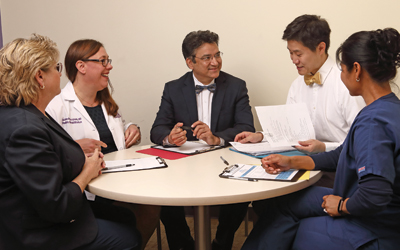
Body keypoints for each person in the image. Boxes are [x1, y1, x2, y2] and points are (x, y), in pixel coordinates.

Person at [241, 28, 400, 250]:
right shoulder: (389, 107)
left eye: (342, 69)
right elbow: (344, 153)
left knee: (300, 227)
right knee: (284, 204)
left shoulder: (372, 123)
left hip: (376, 223)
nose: (341, 76)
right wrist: (293, 161)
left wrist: (343, 205)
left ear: (356, 70)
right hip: (375, 207)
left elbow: (375, 195)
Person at [0, 34, 141, 249]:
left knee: (125, 217)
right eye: (56, 68)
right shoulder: (25, 128)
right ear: (40, 77)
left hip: (43, 212)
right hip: (37, 231)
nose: (60, 74)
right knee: (128, 237)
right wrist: (88, 169)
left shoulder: (28, 114)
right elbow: (56, 205)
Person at [46, 39, 159, 249]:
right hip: (89, 188)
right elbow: (49, 151)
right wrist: (74, 147)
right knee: (131, 217)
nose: (110, 66)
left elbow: (115, 130)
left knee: (152, 207)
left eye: (108, 60)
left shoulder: (105, 100)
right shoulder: (57, 105)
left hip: (119, 178)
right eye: (103, 61)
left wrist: (132, 128)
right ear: (81, 66)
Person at [151, 30, 255, 250]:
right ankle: (183, 245)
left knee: (241, 192)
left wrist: (216, 138)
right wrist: (170, 138)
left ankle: (222, 242)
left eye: (217, 55)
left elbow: (247, 128)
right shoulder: (173, 88)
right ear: (190, 62)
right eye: (207, 58)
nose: (215, 62)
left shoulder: (236, 86)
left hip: (225, 159)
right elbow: (157, 129)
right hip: (184, 166)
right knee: (163, 196)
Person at [235, 15, 365, 188]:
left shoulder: (346, 83)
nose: (293, 60)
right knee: (262, 194)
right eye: (290, 53)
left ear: (321, 48)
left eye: (299, 54)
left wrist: (323, 147)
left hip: (339, 170)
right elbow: (290, 132)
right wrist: (261, 136)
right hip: (303, 165)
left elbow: (360, 142)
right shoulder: (297, 85)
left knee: (279, 202)